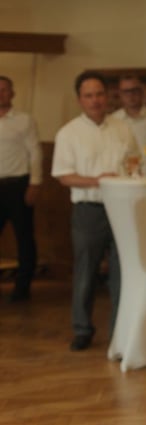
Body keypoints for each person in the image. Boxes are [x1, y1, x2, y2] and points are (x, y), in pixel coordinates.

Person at [51, 71, 139, 351]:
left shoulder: (123, 128)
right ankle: (82, 329)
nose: (95, 100)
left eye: (99, 94)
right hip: (89, 210)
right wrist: (98, 180)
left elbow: (134, 162)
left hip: (122, 209)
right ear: (80, 99)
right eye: (88, 95)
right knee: (86, 272)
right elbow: (63, 176)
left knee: (122, 271)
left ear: (107, 96)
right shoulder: (68, 133)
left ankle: (119, 331)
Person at [0, 76, 42, 303]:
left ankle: (22, 288)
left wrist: (35, 183)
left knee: (24, 238)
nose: (0, 94)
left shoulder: (24, 120)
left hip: (18, 186)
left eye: (4, 90)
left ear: (12, 93)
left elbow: (35, 152)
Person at [111, 74, 146, 150]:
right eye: (126, 91)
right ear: (120, 94)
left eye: (134, 90)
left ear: (141, 92)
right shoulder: (113, 119)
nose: (130, 94)